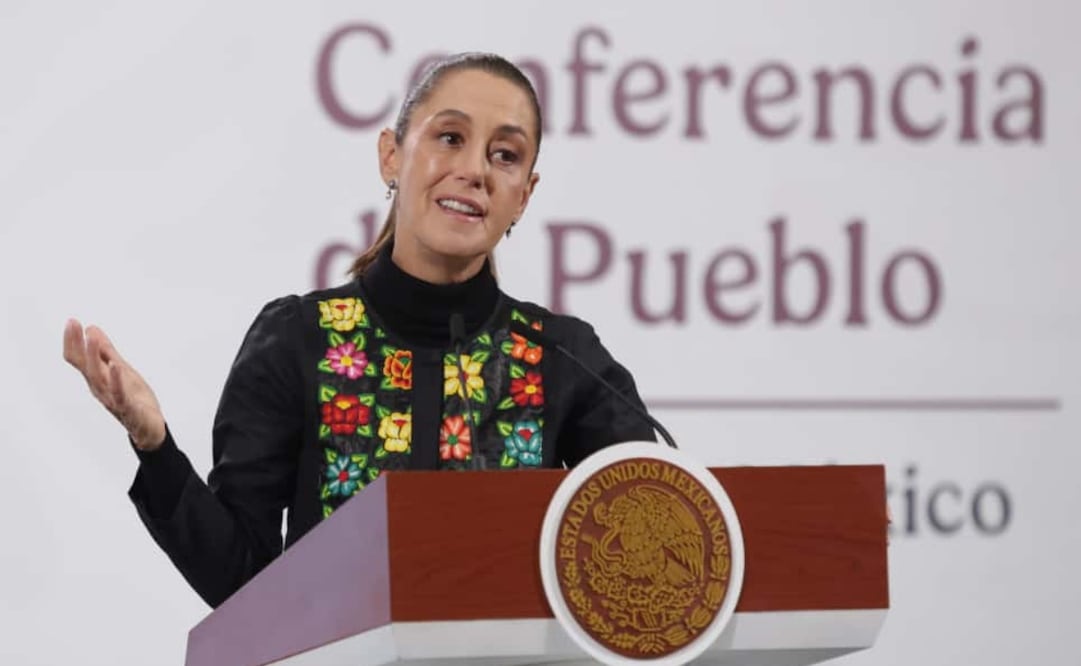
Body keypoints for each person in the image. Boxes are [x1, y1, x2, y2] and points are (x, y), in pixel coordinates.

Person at [62, 53, 655, 609]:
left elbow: (652, 544)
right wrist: (154, 444)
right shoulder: (299, 339)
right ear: (391, 156)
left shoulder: (562, 356)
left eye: (505, 156)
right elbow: (243, 583)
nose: (474, 170)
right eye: (450, 138)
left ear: (524, 195)